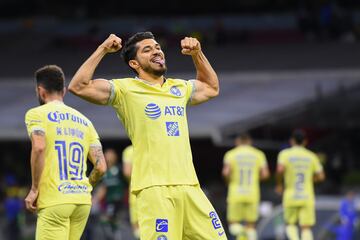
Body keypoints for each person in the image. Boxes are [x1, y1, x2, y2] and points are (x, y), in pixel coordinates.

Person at [68, 32, 227, 240]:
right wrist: (103, 49)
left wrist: (197, 54)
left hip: (190, 187)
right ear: (134, 63)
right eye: (147, 49)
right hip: (154, 189)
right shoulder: (125, 90)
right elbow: (78, 86)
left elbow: (212, 88)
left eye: (157, 48)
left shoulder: (179, 88)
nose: (157, 51)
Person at [24, 65, 107, 240]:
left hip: (55, 201)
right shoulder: (85, 121)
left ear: (40, 91)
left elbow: (39, 148)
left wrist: (34, 189)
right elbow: (101, 167)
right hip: (82, 201)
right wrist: (87, 186)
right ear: (63, 91)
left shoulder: (36, 114)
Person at [275, 129, 325, 240]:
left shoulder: (285, 154)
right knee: (306, 228)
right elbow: (321, 176)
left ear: (291, 141)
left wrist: (279, 184)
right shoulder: (311, 156)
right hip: (307, 196)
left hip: (291, 195)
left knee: (290, 224)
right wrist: (311, 179)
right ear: (305, 142)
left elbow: (279, 170)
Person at [222, 133, 269, 240]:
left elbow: (225, 173)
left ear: (237, 141)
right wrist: (256, 179)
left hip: (235, 193)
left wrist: (228, 181)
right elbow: (265, 174)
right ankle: (248, 233)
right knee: (251, 226)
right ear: (249, 141)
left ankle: (242, 231)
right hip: (252, 193)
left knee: (233, 224)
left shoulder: (231, 154)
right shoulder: (258, 154)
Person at [122, 145, 139, 239]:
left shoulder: (129, 150)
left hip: (135, 192)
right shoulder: (155, 146)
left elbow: (127, 172)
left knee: (137, 227)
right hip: (155, 192)